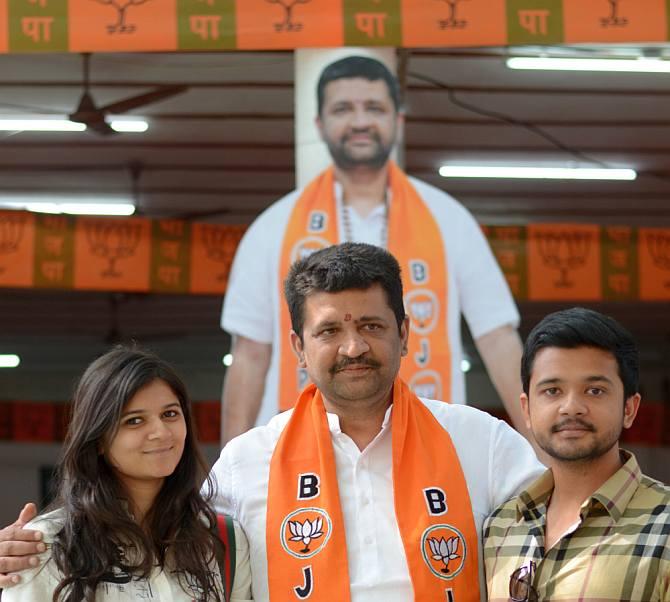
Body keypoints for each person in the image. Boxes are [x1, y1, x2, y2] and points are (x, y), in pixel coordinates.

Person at [220, 55, 529, 445]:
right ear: (320, 124)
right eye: (343, 109)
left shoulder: (448, 220)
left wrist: (540, 454)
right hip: (301, 452)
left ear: (397, 120)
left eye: (374, 108)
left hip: (430, 449)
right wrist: (227, 473)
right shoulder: (272, 228)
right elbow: (248, 354)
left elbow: (498, 338)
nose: (361, 121)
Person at [211, 242, 543, 601]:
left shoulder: (483, 442)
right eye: (329, 331)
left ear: (403, 335)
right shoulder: (244, 463)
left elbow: (564, 536)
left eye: (371, 326)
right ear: (299, 349)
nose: (353, 347)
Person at [0, 347, 252, 601]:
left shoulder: (222, 541)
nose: (161, 432)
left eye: (170, 414)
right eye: (134, 420)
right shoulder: (46, 546)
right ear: (98, 439)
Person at [483, 307, 670, 602]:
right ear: (526, 409)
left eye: (594, 390)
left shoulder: (665, 524)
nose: (571, 407)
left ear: (629, 409)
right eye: (552, 390)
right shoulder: (500, 527)